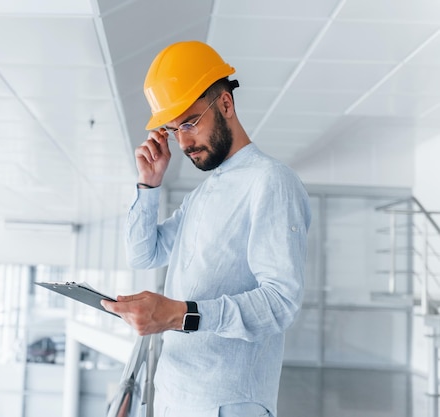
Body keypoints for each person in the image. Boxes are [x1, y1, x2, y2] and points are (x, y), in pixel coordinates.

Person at [101, 40, 312, 417]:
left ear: (226, 105)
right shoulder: (203, 194)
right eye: (172, 128)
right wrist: (149, 185)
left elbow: (280, 303)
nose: (182, 141)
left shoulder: (271, 181)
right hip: (174, 394)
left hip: (226, 402)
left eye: (190, 122)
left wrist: (180, 314)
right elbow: (143, 253)